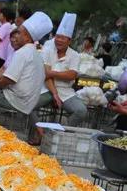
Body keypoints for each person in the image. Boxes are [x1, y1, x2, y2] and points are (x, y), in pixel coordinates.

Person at [0, 12, 53, 120]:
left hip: (18, 100)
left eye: (19, 33)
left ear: (28, 39)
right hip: (28, 101)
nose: (15, 36)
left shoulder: (23, 52)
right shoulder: (33, 52)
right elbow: (5, 71)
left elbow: (8, 79)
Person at [29, 13, 87, 142]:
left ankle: (59, 134)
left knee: (81, 111)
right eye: (57, 37)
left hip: (66, 91)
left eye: (63, 38)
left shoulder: (75, 55)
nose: (59, 40)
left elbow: (72, 75)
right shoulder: (48, 50)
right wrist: (54, 93)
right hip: (47, 88)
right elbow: (46, 76)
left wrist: (53, 73)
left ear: (69, 41)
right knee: (28, 105)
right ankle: (40, 132)